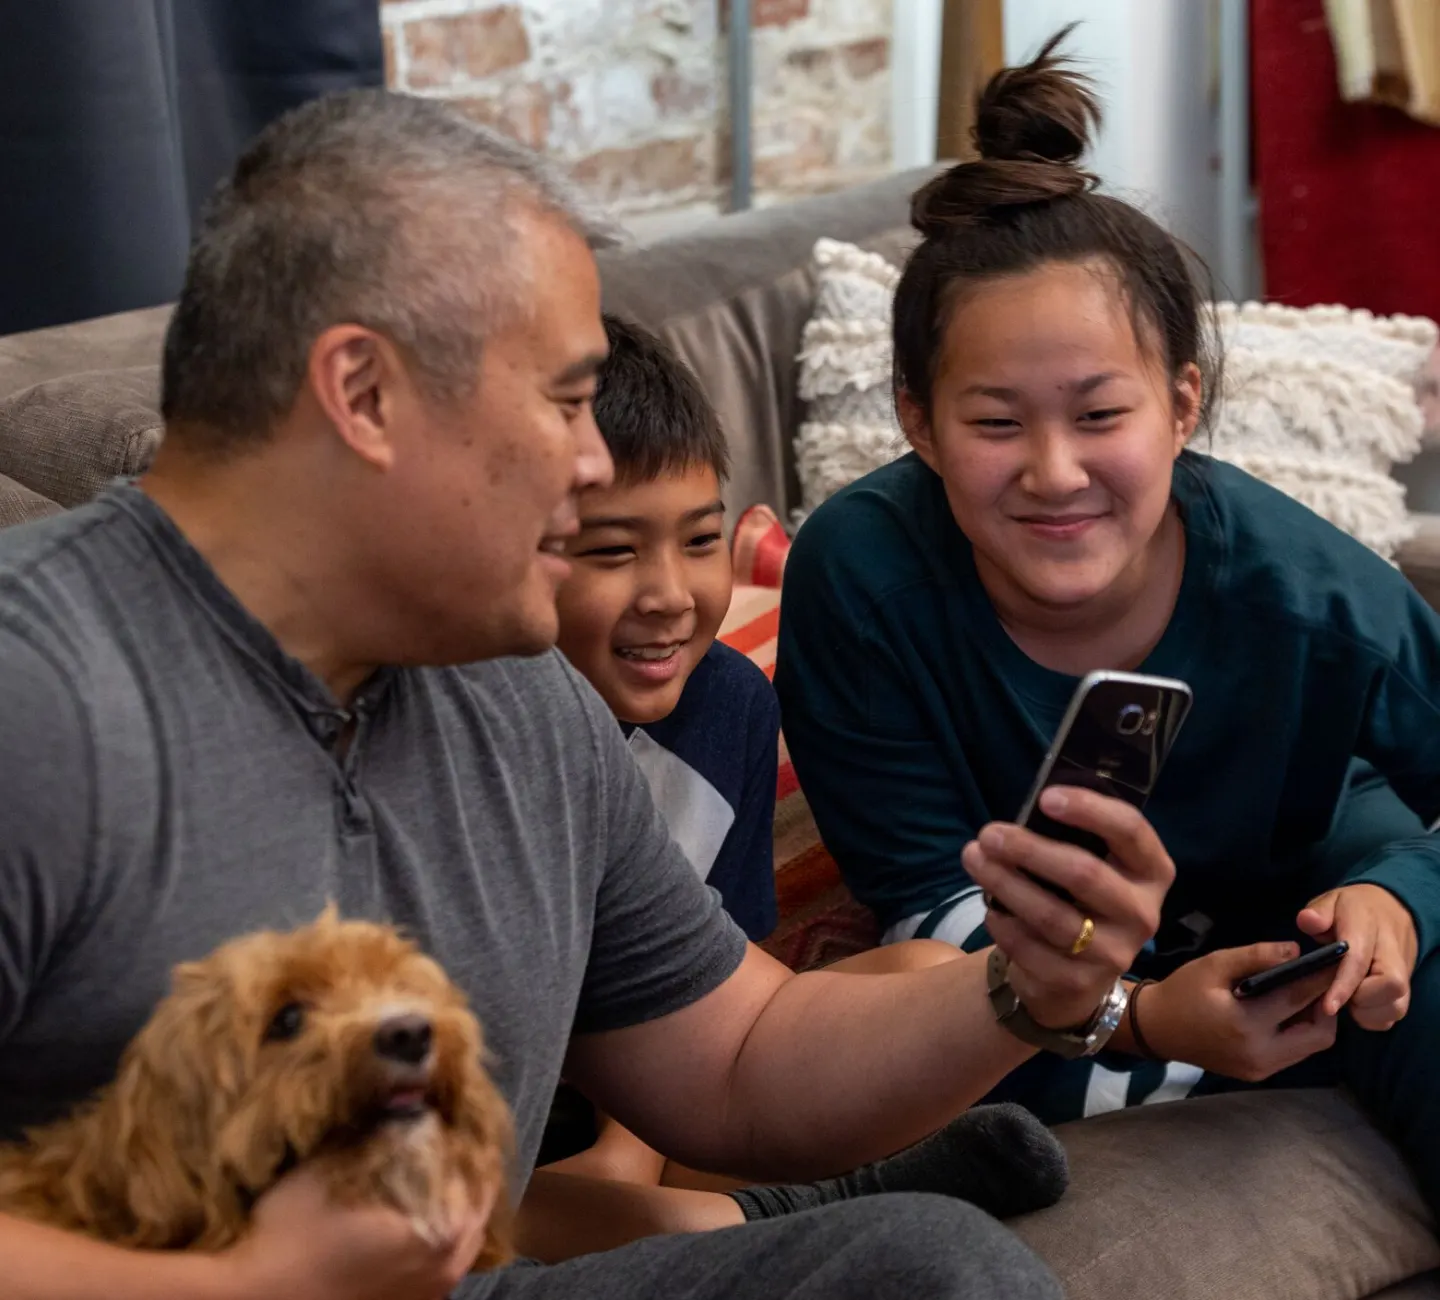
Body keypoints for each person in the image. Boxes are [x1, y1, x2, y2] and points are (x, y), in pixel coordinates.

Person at [0, 87, 1170, 1300]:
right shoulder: (35, 693)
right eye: (566, 400)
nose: (593, 458)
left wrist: (1023, 986)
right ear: (364, 393)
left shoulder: (515, 695)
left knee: (927, 1270)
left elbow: (739, 1063)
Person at [775, 31, 1440, 1208]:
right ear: (918, 423)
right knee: (902, 1011)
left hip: (1300, 909)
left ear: (1182, 405)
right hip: (1008, 968)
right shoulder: (860, 578)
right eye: (995, 423)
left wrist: (1399, 898)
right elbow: (925, 904)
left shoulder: (1310, 592)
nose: (1054, 472)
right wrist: (1142, 1016)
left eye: (1098, 416)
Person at [517, 314, 1065, 1262]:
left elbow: (702, 999)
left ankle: (682, 1215)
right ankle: (753, 1221)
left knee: (928, 975)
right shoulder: (487, 732)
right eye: (612, 552)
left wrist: (628, 1156)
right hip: (497, 1126)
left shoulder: (727, 705)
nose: (670, 595)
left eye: (700, 541)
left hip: (661, 1084)